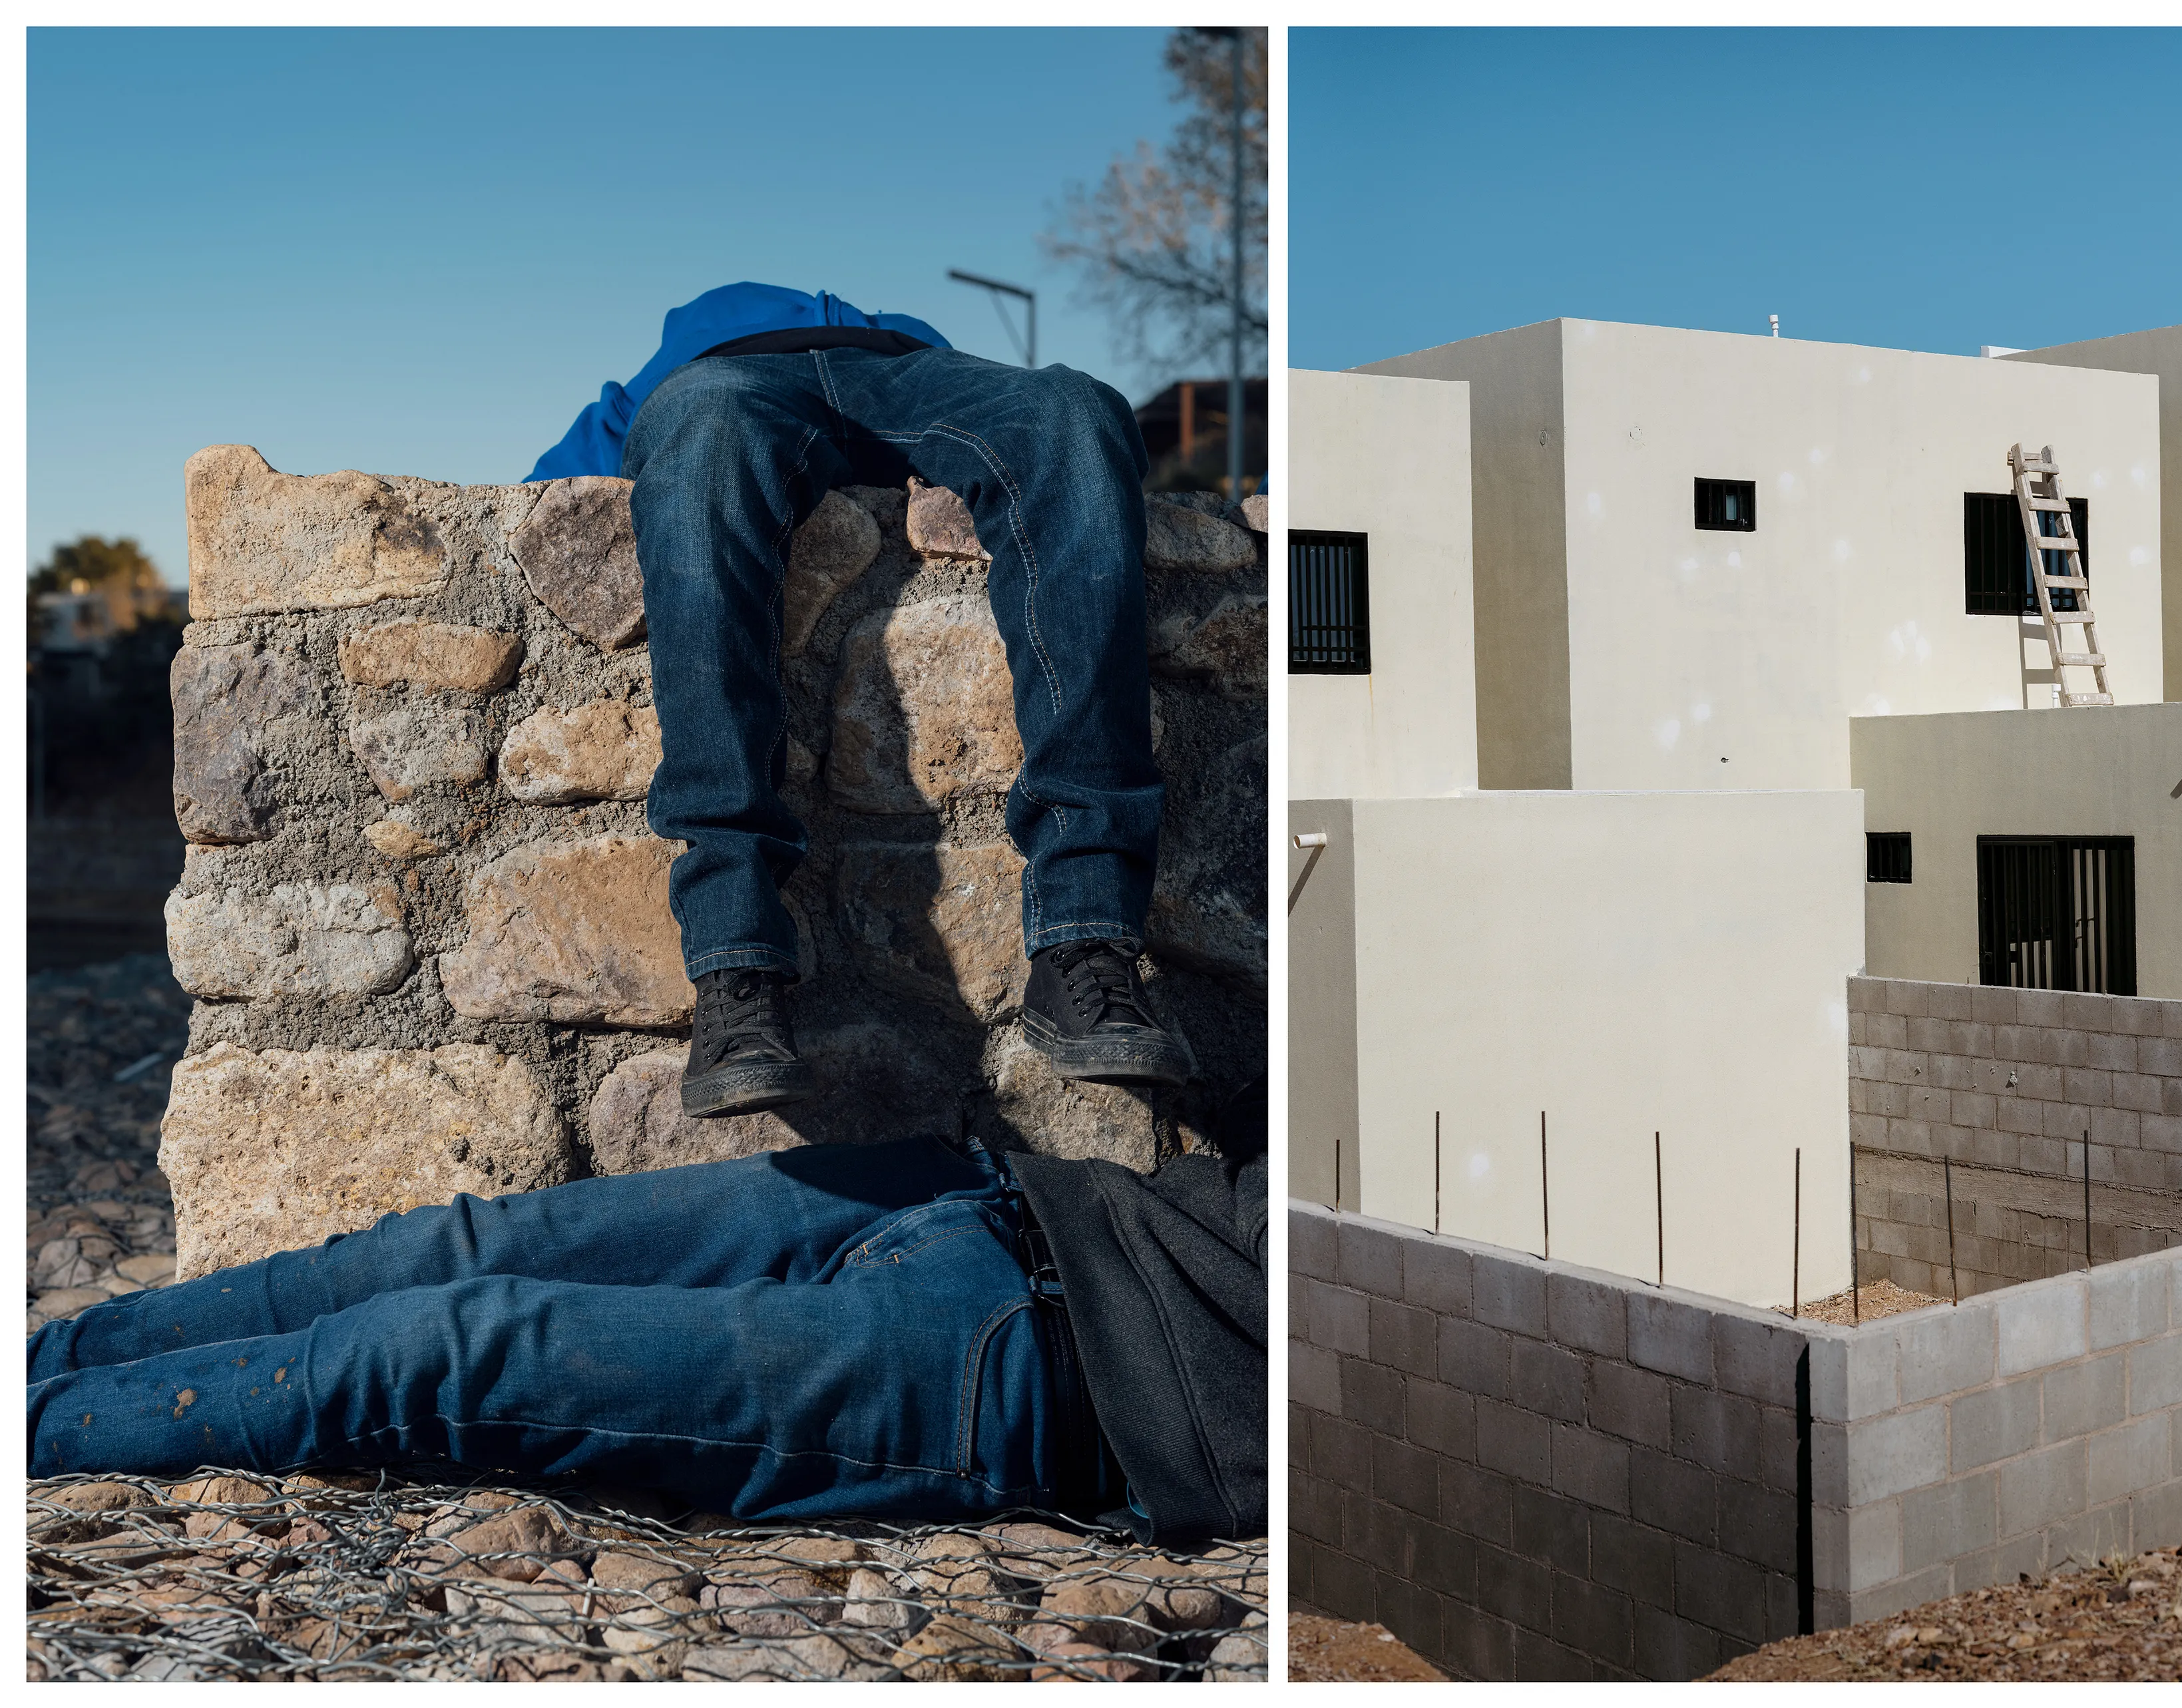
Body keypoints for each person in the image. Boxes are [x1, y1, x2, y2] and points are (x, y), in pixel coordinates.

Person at [531, 282, 1192, 1118]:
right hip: (727, 382)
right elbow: (547, 486)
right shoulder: (679, 359)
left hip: (911, 373)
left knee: (1073, 405)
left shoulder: (905, 335)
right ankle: (737, 959)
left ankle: (1086, 938)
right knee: (701, 444)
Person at [26, 1118, 1267, 1546]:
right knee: (438, 1247)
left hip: (1051, 1378)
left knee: (439, 1349)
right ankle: (45, 1362)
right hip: (1000, 1192)